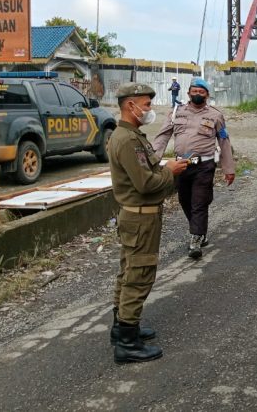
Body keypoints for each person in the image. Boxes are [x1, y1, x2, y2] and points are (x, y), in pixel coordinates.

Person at [108, 82, 189, 364]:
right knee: (139, 275)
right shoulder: (127, 140)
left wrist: (164, 166)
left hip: (136, 216)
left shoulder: (131, 135)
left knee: (129, 270)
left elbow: (146, 168)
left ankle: (123, 328)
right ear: (131, 106)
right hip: (140, 217)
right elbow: (144, 183)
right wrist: (171, 172)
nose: (150, 110)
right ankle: (127, 342)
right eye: (147, 104)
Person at [152, 78, 236, 259]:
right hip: (181, 165)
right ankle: (199, 230)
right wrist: (152, 160)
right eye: (194, 91)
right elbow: (162, 137)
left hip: (204, 165)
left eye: (201, 91)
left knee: (199, 201)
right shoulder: (176, 112)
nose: (197, 94)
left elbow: (224, 141)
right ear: (189, 92)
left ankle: (196, 239)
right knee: (184, 200)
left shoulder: (215, 115)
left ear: (207, 94)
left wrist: (229, 168)